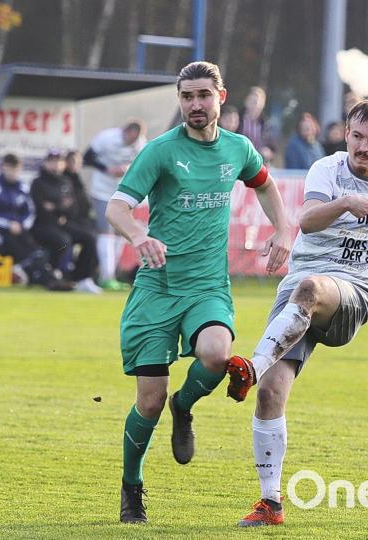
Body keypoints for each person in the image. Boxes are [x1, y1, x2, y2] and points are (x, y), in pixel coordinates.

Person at [105, 61, 292, 524]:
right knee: (148, 401)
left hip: (207, 285)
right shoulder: (161, 151)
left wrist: (283, 230)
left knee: (216, 354)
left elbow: (265, 186)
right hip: (157, 288)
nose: (195, 104)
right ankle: (132, 486)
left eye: (203, 95)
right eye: (187, 96)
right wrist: (139, 236)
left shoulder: (238, 148)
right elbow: (117, 207)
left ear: (220, 97)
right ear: (180, 100)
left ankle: (184, 405)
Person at [225, 99, 368, 527]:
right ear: (345, 133)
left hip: (350, 293)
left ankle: (252, 366)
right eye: (356, 136)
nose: (363, 147)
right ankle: (270, 504)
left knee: (311, 288)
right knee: (270, 393)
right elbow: (308, 221)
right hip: (299, 292)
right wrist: (345, 202)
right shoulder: (326, 170)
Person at [0, 153, 71, 290]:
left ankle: (48, 279)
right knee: (16, 248)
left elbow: (30, 212)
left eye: (16, 170)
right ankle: (46, 280)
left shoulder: (22, 188)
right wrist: (8, 224)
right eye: (10, 169)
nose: (13, 173)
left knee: (34, 251)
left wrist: (22, 225)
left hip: (18, 229)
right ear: (3, 167)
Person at [84, 120, 147, 290]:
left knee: (121, 232)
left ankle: (113, 275)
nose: (132, 142)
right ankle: (105, 276)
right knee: (106, 232)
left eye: (135, 140)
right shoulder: (107, 138)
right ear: (124, 132)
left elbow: (143, 165)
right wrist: (107, 169)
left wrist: (128, 168)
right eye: (130, 138)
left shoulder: (141, 144)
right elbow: (87, 158)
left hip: (123, 193)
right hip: (102, 191)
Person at [31, 149, 102, 294]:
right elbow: (42, 208)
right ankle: (54, 275)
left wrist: (55, 207)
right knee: (63, 240)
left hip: (63, 223)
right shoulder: (38, 183)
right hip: (43, 225)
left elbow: (73, 208)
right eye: (52, 161)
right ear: (46, 163)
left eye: (59, 161)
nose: (56, 164)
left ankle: (82, 278)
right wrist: (61, 207)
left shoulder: (66, 181)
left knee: (89, 238)